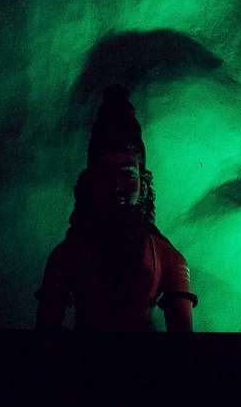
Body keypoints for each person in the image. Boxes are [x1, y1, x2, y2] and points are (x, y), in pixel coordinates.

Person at [36, 86, 196, 331]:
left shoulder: (166, 258)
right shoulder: (66, 256)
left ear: (144, 184)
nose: (116, 186)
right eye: (105, 175)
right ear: (90, 183)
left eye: (127, 175)